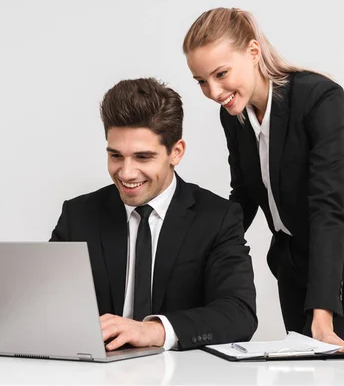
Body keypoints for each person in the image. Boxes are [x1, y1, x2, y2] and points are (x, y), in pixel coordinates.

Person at [182, 7, 344, 353]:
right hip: (293, 259)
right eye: (202, 81)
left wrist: (323, 315)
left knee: (318, 365)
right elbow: (244, 195)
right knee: (298, 368)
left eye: (221, 73)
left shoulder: (320, 100)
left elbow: (329, 208)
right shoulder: (233, 116)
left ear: (253, 53)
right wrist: (197, 250)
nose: (214, 91)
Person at [50, 77, 257, 351]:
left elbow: (238, 313)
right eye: (115, 156)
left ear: (176, 152)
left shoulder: (217, 218)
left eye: (143, 157)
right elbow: (46, 303)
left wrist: (154, 331)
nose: (126, 173)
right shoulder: (78, 215)